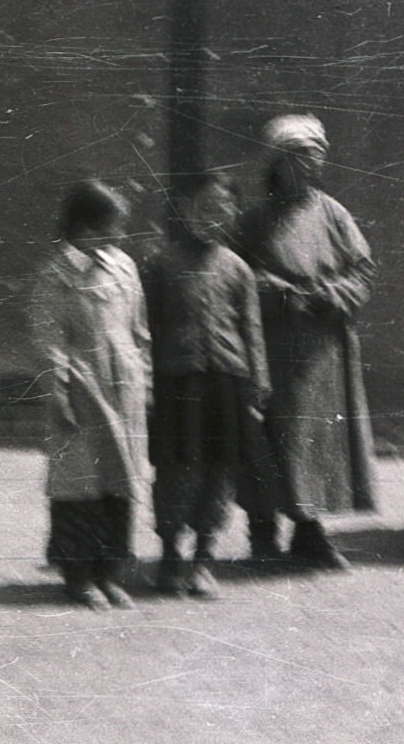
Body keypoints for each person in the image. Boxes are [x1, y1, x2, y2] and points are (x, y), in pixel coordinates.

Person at [235, 114, 377, 570]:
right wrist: (274, 290)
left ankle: (309, 530)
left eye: (316, 157)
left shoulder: (333, 213)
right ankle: (263, 531)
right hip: (274, 346)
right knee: (272, 435)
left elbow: (362, 269)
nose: (311, 167)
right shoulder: (254, 221)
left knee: (315, 439)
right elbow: (236, 277)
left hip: (323, 347)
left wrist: (329, 296)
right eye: (300, 158)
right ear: (277, 163)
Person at [142, 173, 272, 598]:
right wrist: (147, 384)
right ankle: (169, 557)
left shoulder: (238, 270)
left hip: (228, 381)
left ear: (234, 213)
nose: (212, 217)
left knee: (220, 471)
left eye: (222, 208)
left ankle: (202, 559)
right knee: (178, 469)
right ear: (184, 211)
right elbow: (147, 329)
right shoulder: (161, 265)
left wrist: (259, 385)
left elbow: (251, 330)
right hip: (178, 381)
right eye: (203, 207)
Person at [29, 180, 151, 608]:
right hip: (81, 394)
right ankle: (78, 576)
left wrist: (144, 382)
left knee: (120, 484)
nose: (118, 237)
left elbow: (139, 332)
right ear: (84, 228)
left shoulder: (124, 268)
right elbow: (48, 343)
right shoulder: (55, 276)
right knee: (80, 487)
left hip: (124, 392)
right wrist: (58, 394)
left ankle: (111, 572)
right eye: (110, 228)